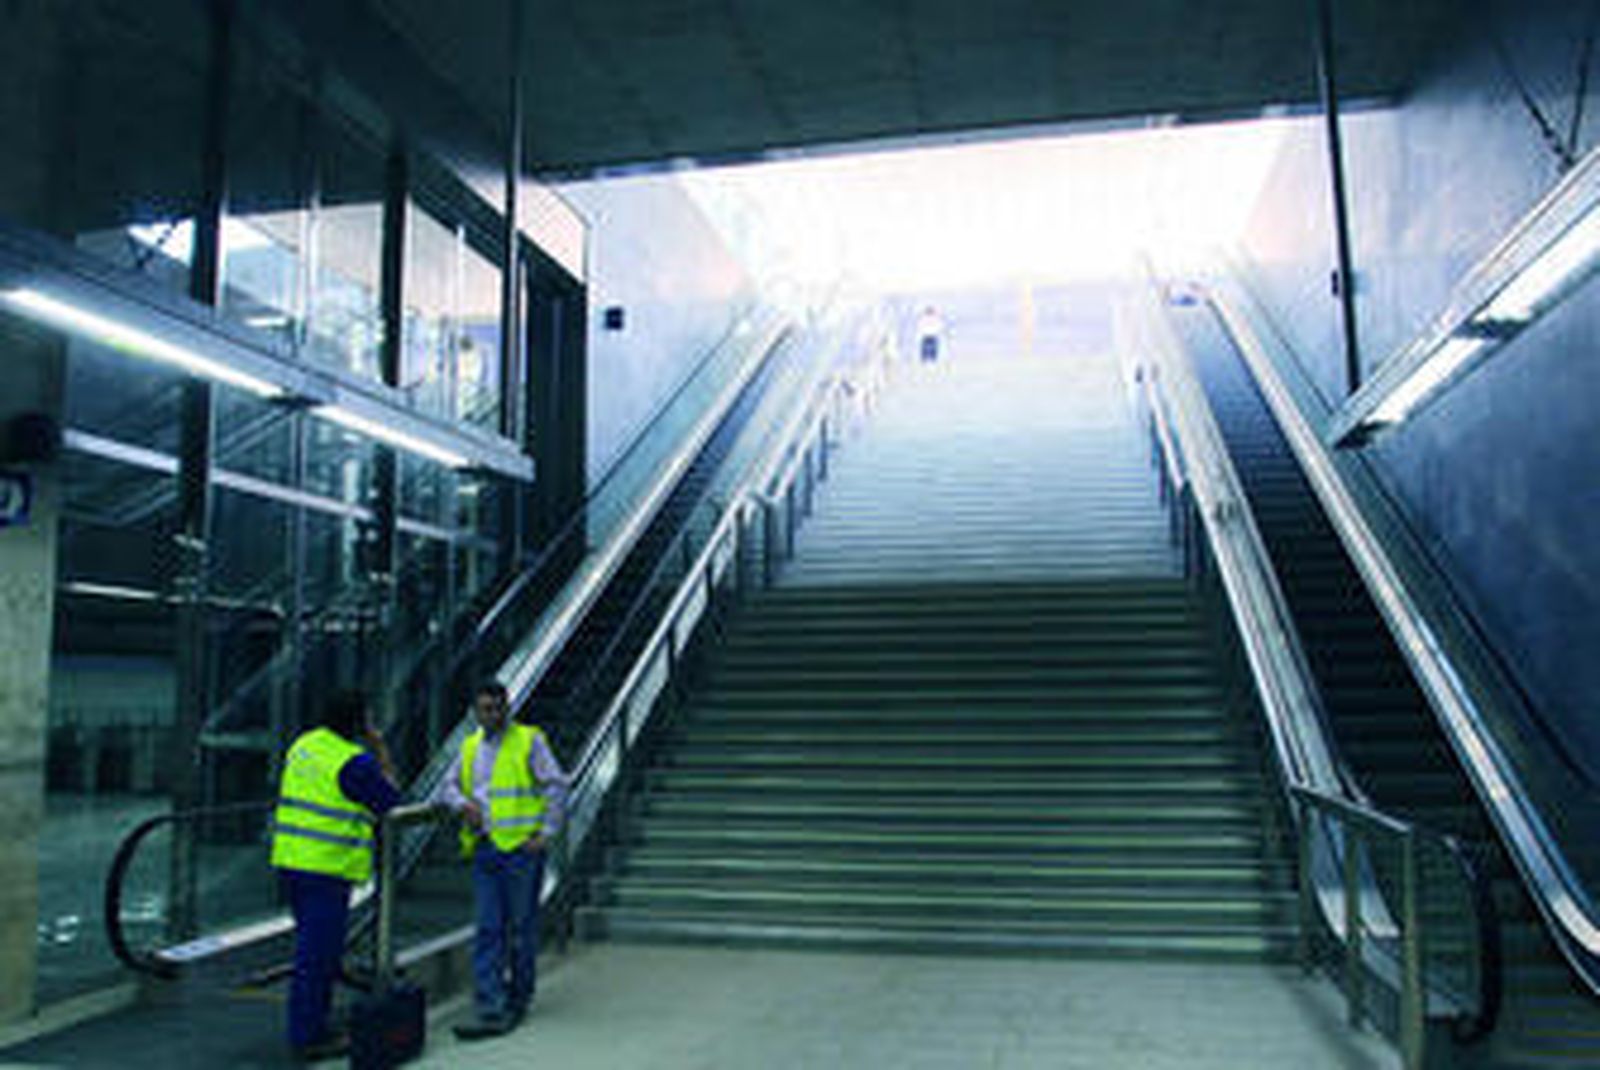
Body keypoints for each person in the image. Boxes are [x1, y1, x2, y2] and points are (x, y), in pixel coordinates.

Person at [270, 690, 401, 1062]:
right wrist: (380, 746)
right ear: (360, 722)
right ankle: (307, 1037)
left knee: (317, 953)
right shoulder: (353, 762)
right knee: (317, 956)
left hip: (291, 861)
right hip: (327, 869)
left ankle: (317, 1025)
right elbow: (392, 799)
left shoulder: (304, 745)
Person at [437, 681, 569, 1040]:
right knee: (488, 927)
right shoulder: (468, 747)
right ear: (475, 712)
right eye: (484, 709)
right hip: (486, 848)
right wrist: (463, 805)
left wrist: (547, 833)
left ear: (507, 708)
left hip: (521, 851)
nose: (491, 715)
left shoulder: (529, 740)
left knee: (521, 929)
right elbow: (446, 785)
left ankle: (519, 995)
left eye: (496, 708)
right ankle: (491, 1004)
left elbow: (556, 784)